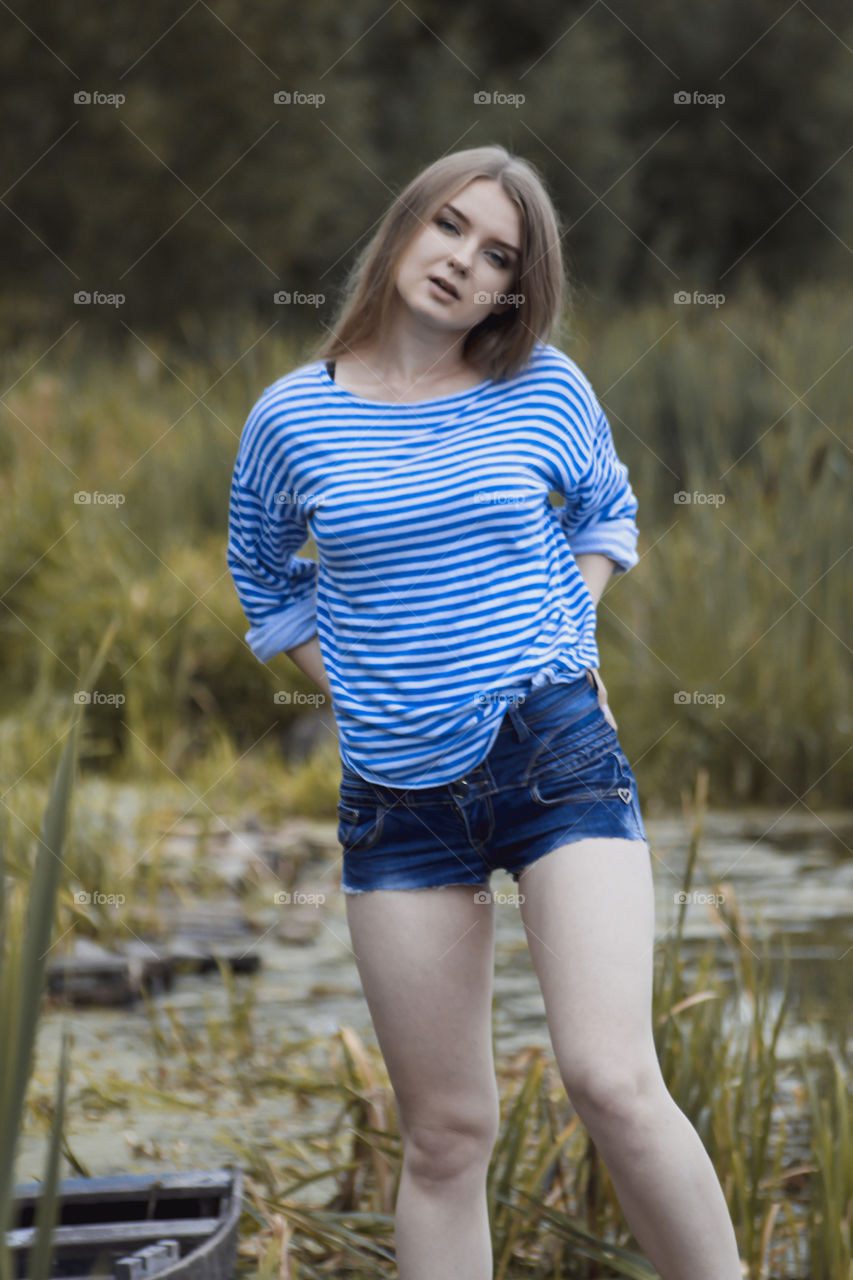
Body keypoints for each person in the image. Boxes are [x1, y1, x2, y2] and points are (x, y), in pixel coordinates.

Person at [227, 144, 743, 1280]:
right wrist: (347, 683)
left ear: (516, 286)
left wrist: (576, 635)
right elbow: (263, 576)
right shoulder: (291, 417)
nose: (464, 262)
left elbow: (607, 512)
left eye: (497, 254)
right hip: (396, 796)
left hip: (553, 751)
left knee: (610, 1075)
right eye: (450, 227)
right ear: (405, 227)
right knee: (448, 1134)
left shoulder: (542, 386)